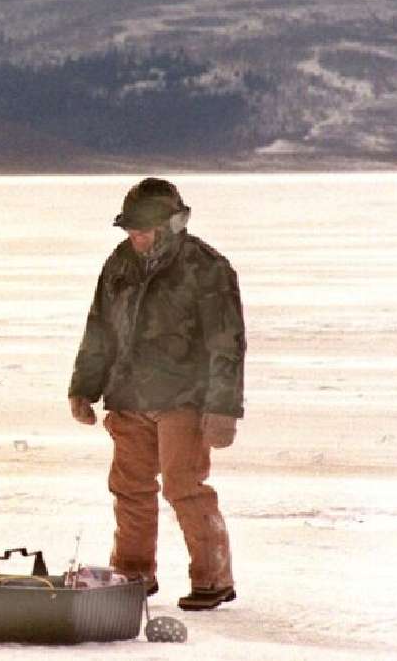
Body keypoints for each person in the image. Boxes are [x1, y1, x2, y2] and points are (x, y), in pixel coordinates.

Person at [67, 177, 245, 611]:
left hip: (184, 399)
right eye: (131, 229)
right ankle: (133, 575)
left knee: (185, 486)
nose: (136, 236)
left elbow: (227, 342)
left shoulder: (206, 267)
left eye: (143, 228)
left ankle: (212, 578)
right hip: (128, 397)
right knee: (129, 489)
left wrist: (222, 408)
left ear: (170, 225)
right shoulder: (119, 264)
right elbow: (99, 329)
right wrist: (84, 387)